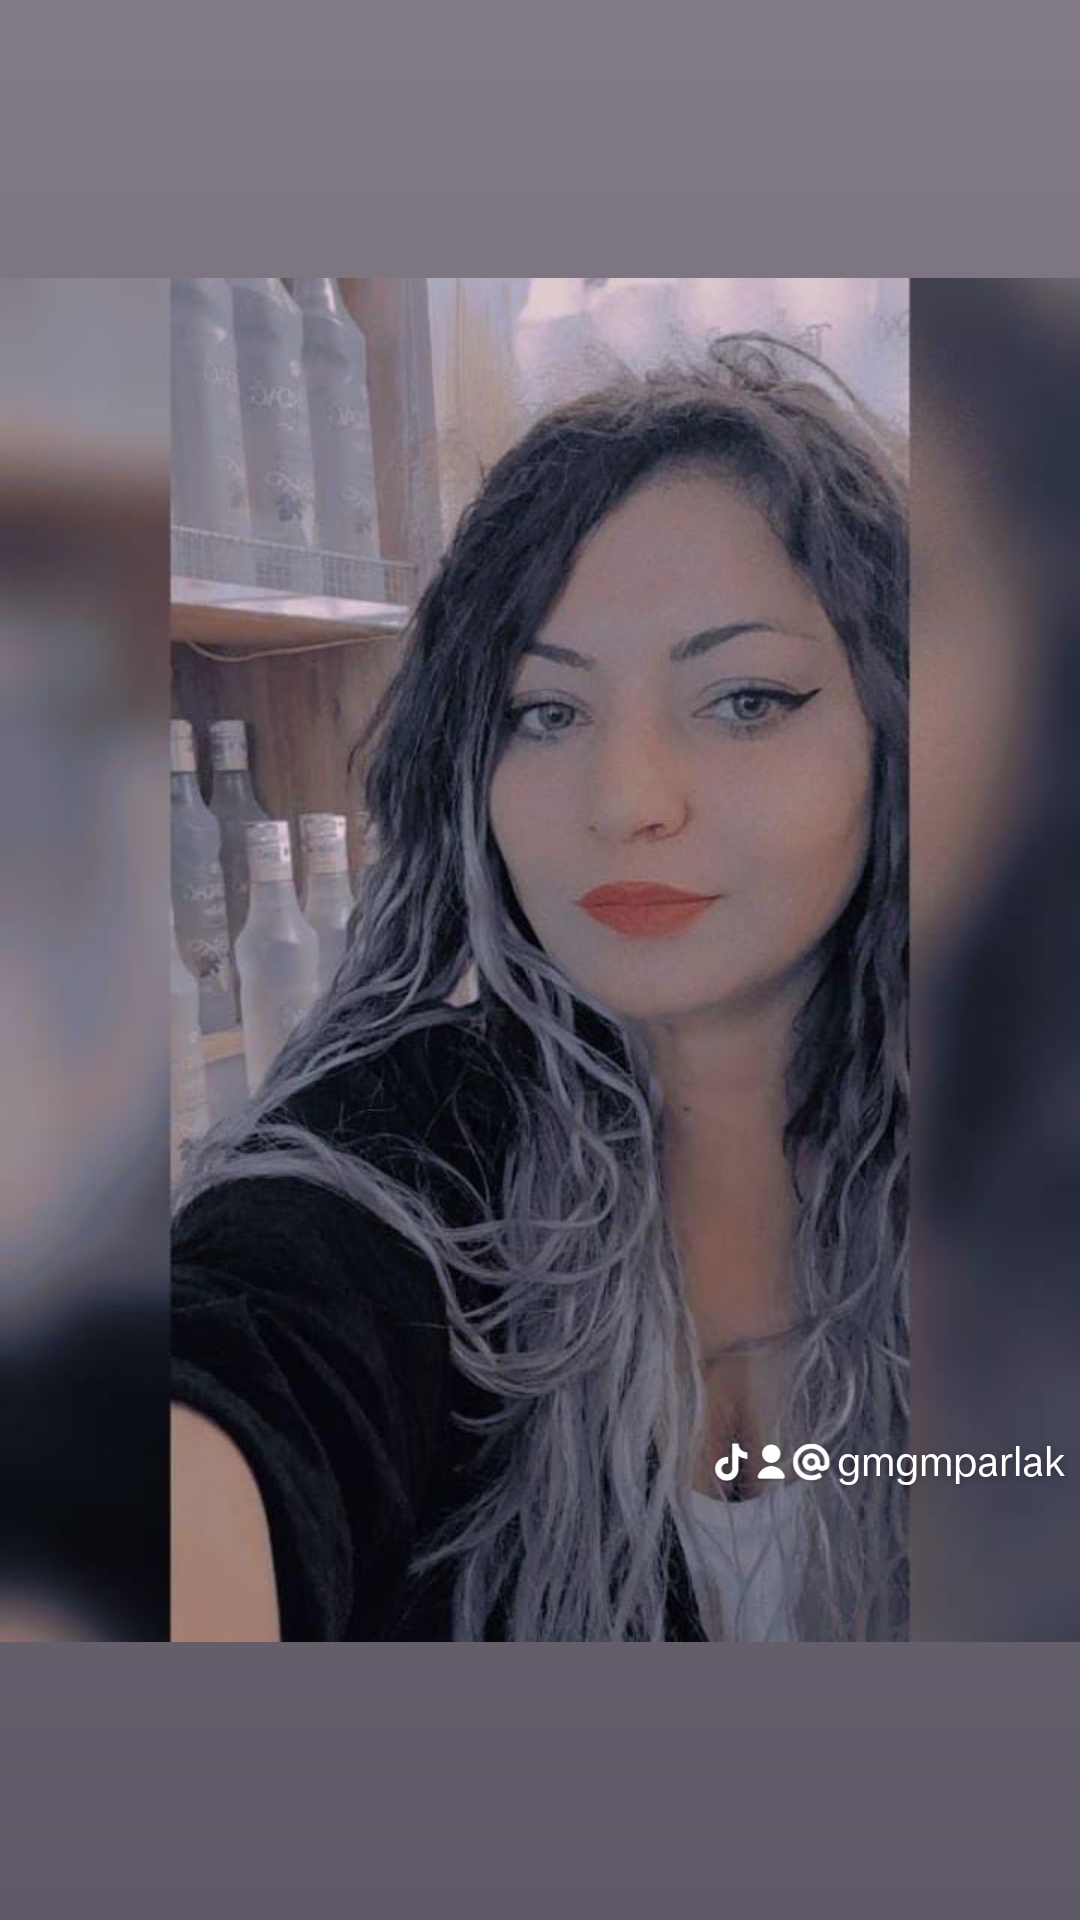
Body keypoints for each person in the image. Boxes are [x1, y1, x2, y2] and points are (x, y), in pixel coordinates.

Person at [171, 334, 909, 1642]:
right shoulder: (389, 1176)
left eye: (744, 700)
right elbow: (234, 1373)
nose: (625, 802)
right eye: (547, 713)